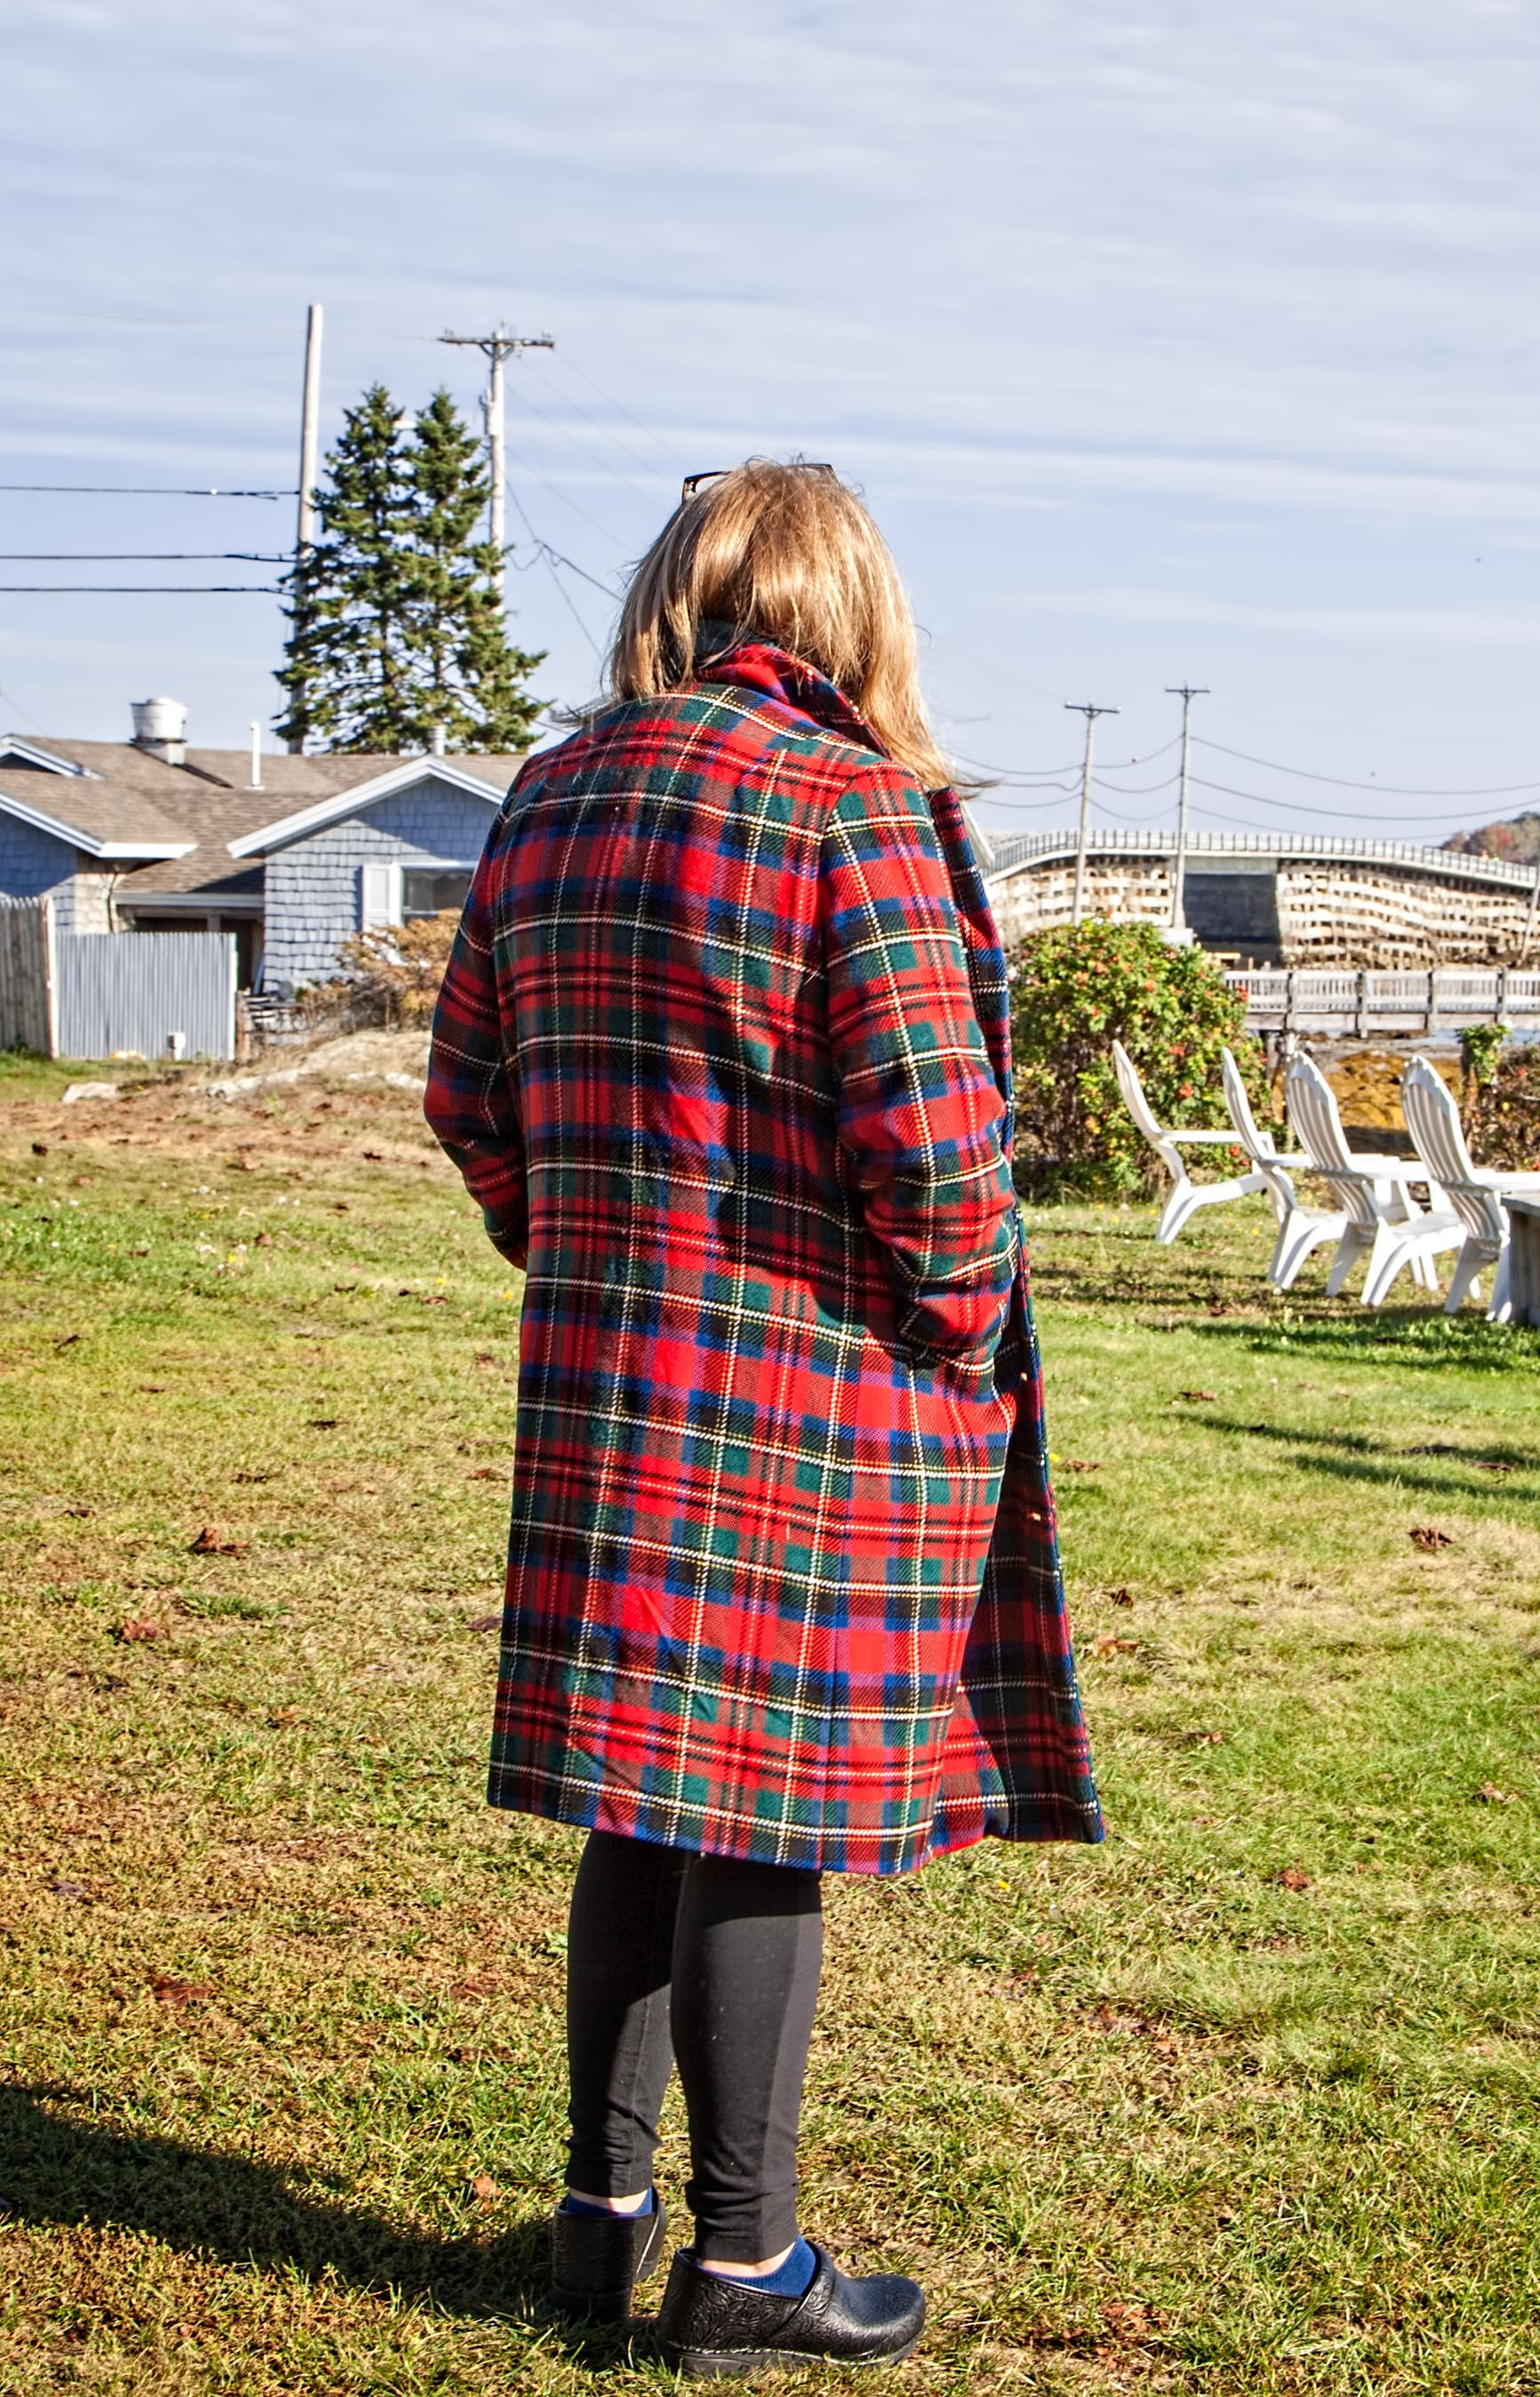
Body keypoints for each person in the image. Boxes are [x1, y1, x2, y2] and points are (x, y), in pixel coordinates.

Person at [426, 459, 1101, 2374]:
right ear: (853, 612)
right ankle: (747, 2261)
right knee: (761, 1812)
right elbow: (935, 1143)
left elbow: (471, 1096)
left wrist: (582, 1257)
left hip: (611, 1382)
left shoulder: (551, 797)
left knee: (644, 1788)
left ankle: (598, 2214)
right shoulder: (856, 808)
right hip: (809, 1398)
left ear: (677, 596)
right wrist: (960, 1322)